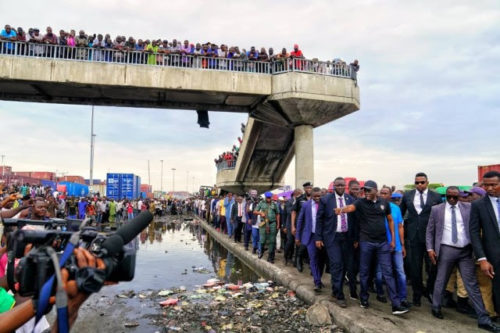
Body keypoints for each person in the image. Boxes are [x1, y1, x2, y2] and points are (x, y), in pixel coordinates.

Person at [427, 186, 499, 331]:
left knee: (471, 284)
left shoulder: (468, 207)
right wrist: (430, 249)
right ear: (446, 196)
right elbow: (430, 230)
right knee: (441, 280)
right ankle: (436, 307)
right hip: (446, 249)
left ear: (459, 196)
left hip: (466, 251)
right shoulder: (437, 210)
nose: (452, 200)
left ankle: (483, 319)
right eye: (449, 197)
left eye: (455, 197)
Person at [337, 180, 409, 315]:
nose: (366, 193)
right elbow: (351, 208)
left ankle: (396, 305)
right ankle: (364, 299)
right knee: (364, 272)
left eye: (369, 190)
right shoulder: (361, 202)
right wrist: (341, 210)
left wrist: (393, 239)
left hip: (383, 243)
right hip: (366, 242)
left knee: (388, 273)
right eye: (365, 191)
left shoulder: (384, 203)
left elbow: (390, 220)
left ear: (375, 190)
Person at [399, 172, 442, 306]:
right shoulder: (408, 195)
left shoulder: (436, 196)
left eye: (422, 182)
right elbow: (400, 214)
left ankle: (429, 291)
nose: (419, 185)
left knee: (432, 266)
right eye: (417, 183)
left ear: (427, 182)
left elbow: (440, 216)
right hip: (413, 236)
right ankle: (417, 294)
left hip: (430, 237)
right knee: (415, 267)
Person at [316, 177, 358, 307]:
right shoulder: (325, 200)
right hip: (332, 238)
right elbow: (320, 220)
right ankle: (339, 295)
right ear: (334, 186)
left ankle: (335, 289)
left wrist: (356, 238)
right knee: (336, 264)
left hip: (347, 238)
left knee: (346, 265)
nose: (340, 187)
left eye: (342, 185)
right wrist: (318, 238)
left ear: (345, 186)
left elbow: (355, 221)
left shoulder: (351, 200)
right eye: (337, 185)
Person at [470, 171, 500, 317]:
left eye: (494, 185)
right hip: (493, 256)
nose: (489, 188)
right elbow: (474, 233)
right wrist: (482, 259)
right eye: (486, 185)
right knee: (497, 289)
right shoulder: (478, 205)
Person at [378, 186, 409, 308]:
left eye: (386, 193)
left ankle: (402, 297)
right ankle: (380, 293)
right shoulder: (375, 208)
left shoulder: (396, 209)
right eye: (382, 193)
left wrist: (402, 245)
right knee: (380, 273)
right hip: (381, 245)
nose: (383, 195)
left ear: (390, 195)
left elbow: (400, 227)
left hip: (396, 246)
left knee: (400, 272)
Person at [297, 187, 323, 292]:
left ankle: (319, 278)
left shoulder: (324, 204)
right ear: (311, 196)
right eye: (315, 196)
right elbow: (300, 220)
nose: (317, 198)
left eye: (319, 196)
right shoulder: (306, 205)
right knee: (313, 259)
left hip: (322, 236)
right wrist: (298, 236)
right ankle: (317, 282)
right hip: (310, 236)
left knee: (321, 260)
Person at [292, 182, 313, 272]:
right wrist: (293, 226)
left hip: (312, 225)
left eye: (310, 188)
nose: (309, 189)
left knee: (311, 245)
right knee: (300, 244)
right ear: (304, 189)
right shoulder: (300, 199)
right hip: (301, 225)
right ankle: (298, 261)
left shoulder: (315, 198)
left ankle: (311, 265)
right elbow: (293, 212)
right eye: (307, 188)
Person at [254, 192, 280, 263]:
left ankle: (271, 257)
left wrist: (278, 224)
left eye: (270, 197)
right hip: (264, 223)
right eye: (267, 198)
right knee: (262, 240)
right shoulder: (261, 203)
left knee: (272, 241)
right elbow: (255, 211)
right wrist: (260, 213)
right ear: (265, 197)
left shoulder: (274, 204)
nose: (269, 199)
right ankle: (261, 251)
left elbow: (277, 214)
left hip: (272, 224)